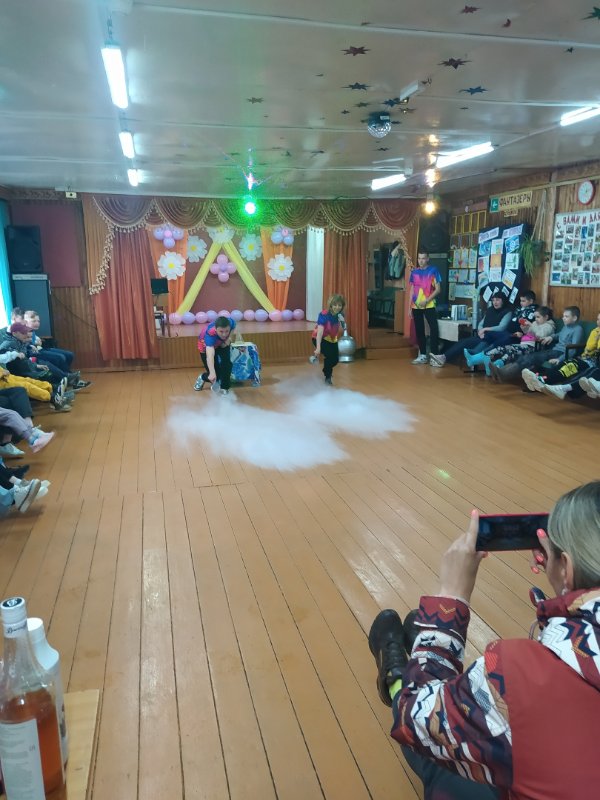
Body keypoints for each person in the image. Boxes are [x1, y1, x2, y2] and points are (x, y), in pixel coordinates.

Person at [368, 480, 600, 800]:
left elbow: (416, 720)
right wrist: (567, 589)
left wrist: (450, 598)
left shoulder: (520, 676)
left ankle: (395, 676)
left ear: (567, 566)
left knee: (440, 752)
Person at [521, 310, 600, 400]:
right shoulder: (595, 331)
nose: (598, 322)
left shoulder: (578, 329)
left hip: (592, 362)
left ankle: (549, 383)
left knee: (570, 367)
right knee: (564, 365)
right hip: (585, 358)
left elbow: (593, 348)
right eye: (598, 319)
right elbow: (589, 348)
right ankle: (540, 379)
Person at [494, 306, 584, 383]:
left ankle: (504, 374)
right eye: (563, 316)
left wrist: (559, 359)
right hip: (554, 350)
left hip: (561, 353)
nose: (563, 318)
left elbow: (573, 349)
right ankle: (502, 371)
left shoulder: (577, 329)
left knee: (532, 358)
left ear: (574, 318)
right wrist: (551, 337)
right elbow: (559, 334)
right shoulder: (566, 326)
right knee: (527, 357)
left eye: (566, 316)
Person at [465, 306, 554, 377]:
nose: (536, 319)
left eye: (538, 317)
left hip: (533, 349)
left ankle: (491, 365)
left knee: (509, 349)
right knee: (503, 348)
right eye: (535, 317)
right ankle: (478, 360)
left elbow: (540, 334)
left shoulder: (548, 326)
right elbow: (529, 333)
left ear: (546, 317)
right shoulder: (535, 324)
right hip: (524, 345)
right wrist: (524, 329)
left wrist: (531, 325)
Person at [430, 293, 511, 367]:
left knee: (467, 343)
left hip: (492, 339)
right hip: (482, 336)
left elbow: (501, 327)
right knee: (463, 341)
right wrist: (480, 332)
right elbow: (481, 323)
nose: (495, 302)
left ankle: (444, 358)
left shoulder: (507, 312)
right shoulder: (490, 310)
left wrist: (485, 329)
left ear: (503, 301)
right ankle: (443, 357)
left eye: (497, 300)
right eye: (493, 300)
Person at [23, 310, 90, 390]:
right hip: (35, 353)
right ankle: (69, 379)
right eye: (34, 321)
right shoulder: (22, 331)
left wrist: (37, 340)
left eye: (38, 321)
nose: (37, 323)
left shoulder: (32, 331)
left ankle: (69, 378)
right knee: (60, 357)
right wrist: (32, 344)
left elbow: (36, 341)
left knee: (69, 355)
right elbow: (25, 346)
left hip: (41, 349)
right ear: (25, 321)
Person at [409, 251, 441, 365]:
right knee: (419, 329)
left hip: (429, 304)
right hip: (416, 305)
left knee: (434, 328)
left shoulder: (433, 270)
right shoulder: (414, 272)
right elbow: (412, 289)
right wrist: (409, 306)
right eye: (419, 258)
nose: (421, 261)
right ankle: (422, 355)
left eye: (423, 258)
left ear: (427, 259)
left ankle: (434, 355)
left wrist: (427, 300)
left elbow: (438, 289)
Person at [194, 315, 236, 395]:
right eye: (221, 331)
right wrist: (212, 373)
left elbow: (233, 326)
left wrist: (228, 338)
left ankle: (224, 388)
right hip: (205, 347)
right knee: (216, 375)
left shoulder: (230, 322)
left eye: (227, 331)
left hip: (221, 343)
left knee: (227, 364)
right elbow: (210, 356)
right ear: (216, 330)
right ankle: (203, 377)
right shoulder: (209, 336)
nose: (224, 334)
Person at [312, 294, 346, 385]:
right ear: (331, 305)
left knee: (335, 360)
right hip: (320, 338)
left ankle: (326, 370)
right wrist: (318, 348)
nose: (337, 307)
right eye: (335, 305)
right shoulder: (324, 315)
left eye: (339, 305)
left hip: (332, 339)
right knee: (330, 357)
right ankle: (328, 377)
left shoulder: (340, 315)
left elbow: (342, 327)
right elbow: (319, 333)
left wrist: (343, 322)